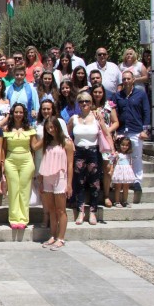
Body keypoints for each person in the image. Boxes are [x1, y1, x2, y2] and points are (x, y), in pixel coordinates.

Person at [68, 92, 114, 225]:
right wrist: (71, 144)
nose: (84, 104)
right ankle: (81, 211)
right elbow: (66, 133)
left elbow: (107, 134)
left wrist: (112, 151)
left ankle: (93, 212)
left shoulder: (97, 117)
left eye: (87, 101)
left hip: (93, 152)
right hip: (79, 152)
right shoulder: (74, 118)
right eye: (81, 101)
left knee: (94, 183)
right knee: (79, 183)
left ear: (91, 103)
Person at [113, 70, 150, 201]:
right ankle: (118, 180)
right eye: (124, 79)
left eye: (128, 78)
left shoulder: (141, 94)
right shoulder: (118, 96)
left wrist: (146, 130)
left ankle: (137, 181)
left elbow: (146, 111)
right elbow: (114, 112)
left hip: (136, 130)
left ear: (133, 79)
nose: (126, 81)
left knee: (136, 156)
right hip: (122, 130)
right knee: (119, 158)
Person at [38, 116, 74, 251]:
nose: (50, 130)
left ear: (58, 127)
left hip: (60, 176)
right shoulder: (47, 143)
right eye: (47, 128)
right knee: (51, 209)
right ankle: (52, 235)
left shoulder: (66, 143)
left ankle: (61, 238)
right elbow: (44, 160)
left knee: (61, 210)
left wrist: (69, 184)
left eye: (52, 127)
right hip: (47, 176)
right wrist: (41, 181)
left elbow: (70, 165)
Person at [3, 103, 39, 230]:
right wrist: (3, 164)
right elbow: (3, 148)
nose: (18, 115)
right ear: (12, 114)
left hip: (26, 161)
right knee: (13, 190)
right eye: (16, 112)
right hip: (11, 160)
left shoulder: (30, 128)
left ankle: (23, 219)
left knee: (24, 190)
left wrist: (46, 140)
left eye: (21, 112)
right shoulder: (7, 129)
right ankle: (13, 219)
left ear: (24, 114)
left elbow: (34, 147)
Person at [92, 84, 120, 208]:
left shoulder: (109, 105)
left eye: (100, 92)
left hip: (106, 141)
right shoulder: (88, 105)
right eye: (95, 92)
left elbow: (116, 122)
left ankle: (107, 195)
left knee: (107, 170)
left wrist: (107, 130)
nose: (97, 94)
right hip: (93, 140)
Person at [111, 136, 135, 208]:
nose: (124, 147)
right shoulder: (117, 154)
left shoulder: (129, 155)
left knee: (126, 187)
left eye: (126, 145)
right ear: (119, 145)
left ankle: (125, 201)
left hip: (126, 173)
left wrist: (131, 171)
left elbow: (130, 164)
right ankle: (116, 201)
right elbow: (112, 161)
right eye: (123, 145)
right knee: (118, 187)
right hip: (119, 172)